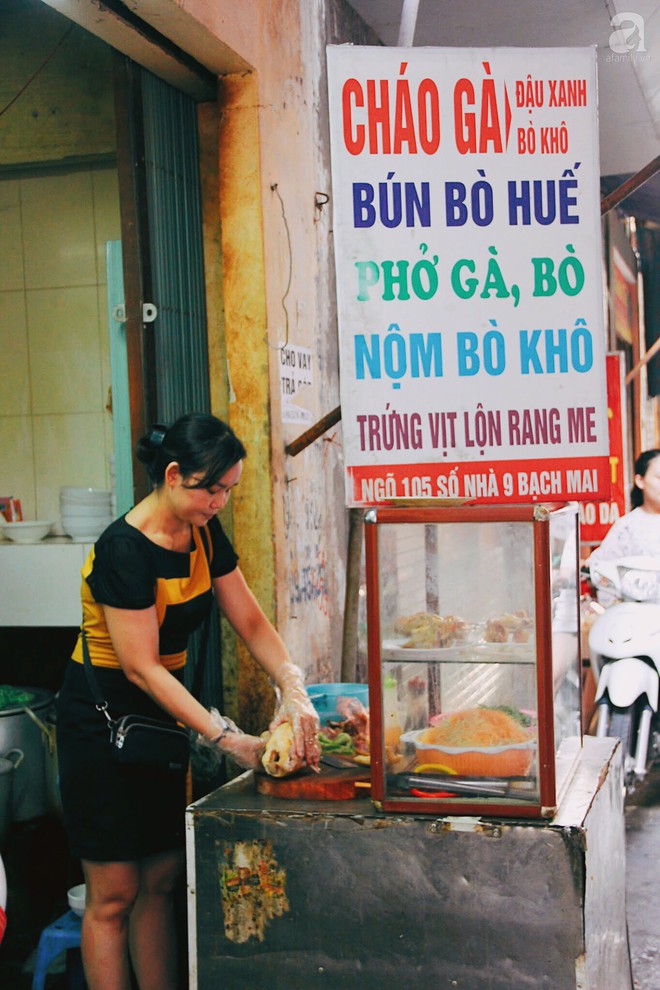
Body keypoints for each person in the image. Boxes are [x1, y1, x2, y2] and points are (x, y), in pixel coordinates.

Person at [56, 412, 320, 990]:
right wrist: (228, 739)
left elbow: (248, 617)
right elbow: (141, 667)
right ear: (174, 475)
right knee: (115, 892)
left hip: (162, 714)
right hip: (103, 723)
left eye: (229, 489)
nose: (221, 501)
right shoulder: (123, 549)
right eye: (214, 488)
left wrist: (291, 684)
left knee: (162, 878)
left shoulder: (201, 529)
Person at [588, 448, 660, 602]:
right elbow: (600, 567)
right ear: (640, 481)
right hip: (639, 616)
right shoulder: (627, 526)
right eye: (659, 477)